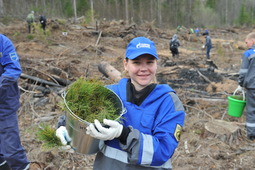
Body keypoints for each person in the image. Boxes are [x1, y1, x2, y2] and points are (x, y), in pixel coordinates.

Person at [56, 37, 186, 170]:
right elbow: (78, 114)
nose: (144, 68)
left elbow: (163, 151)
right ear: (126, 64)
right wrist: (64, 128)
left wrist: (124, 134)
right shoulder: (109, 94)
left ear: (156, 64)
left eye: (149, 62)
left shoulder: (168, 102)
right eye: (136, 63)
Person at [0, 34, 30, 170]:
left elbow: (13, 70)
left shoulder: (2, 42)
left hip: (4, 104)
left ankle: (21, 167)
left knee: (11, 151)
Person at [237, 32, 255, 141]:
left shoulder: (248, 54)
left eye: (247, 42)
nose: (246, 44)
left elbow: (243, 72)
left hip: (252, 87)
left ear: (253, 41)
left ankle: (252, 135)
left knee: (251, 110)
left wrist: (240, 84)